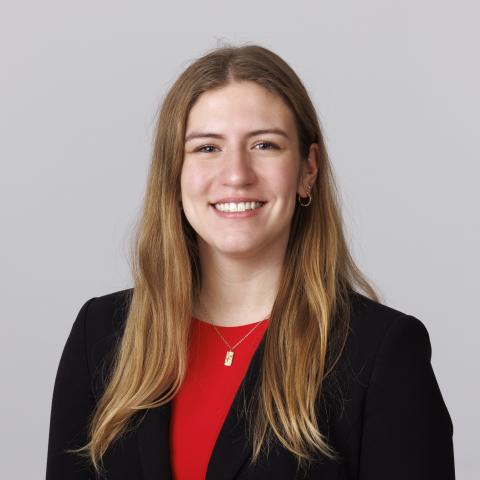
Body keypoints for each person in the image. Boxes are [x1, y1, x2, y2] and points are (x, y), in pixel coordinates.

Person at [46, 43, 455, 479]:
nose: (237, 173)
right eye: (207, 148)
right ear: (173, 172)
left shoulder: (380, 353)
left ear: (307, 169)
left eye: (264, 144)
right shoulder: (101, 336)